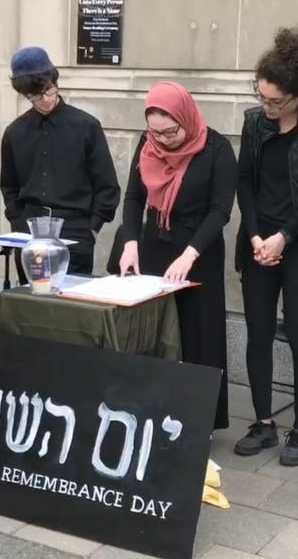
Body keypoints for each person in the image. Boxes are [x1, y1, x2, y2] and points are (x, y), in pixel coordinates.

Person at [232, 26, 298, 466]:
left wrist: (284, 236)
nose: (267, 106)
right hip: (259, 242)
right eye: (261, 97)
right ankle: (263, 423)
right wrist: (256, 234)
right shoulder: (253, 123)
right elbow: (244, 182)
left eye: (275, 101)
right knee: (258, 333)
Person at [116, 82, 237, 430]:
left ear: (185, 118)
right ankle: (153, 413)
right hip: (154, 245)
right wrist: (130, 242)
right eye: (155, 132)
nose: (163, 139)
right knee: (155, 333)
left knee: (200, 335)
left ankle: (200, 421)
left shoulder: (216, 149)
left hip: (198, 250)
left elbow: (220, 211)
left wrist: (189, 255)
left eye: (170, 131)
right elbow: (133, 197)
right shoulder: (148, 144)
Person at [0, 46, 120, 276]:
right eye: (36, 96)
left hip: (75, 231)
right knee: (30, 297)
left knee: (72, 297)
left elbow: (107, 186)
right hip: (30, 232)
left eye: (49, 90)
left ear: (54, 81)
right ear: (26, 95)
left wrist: (91, 230)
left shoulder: (86, 126)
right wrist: (18, 222)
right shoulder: (15, 132)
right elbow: (9, 186)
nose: (45, 99)